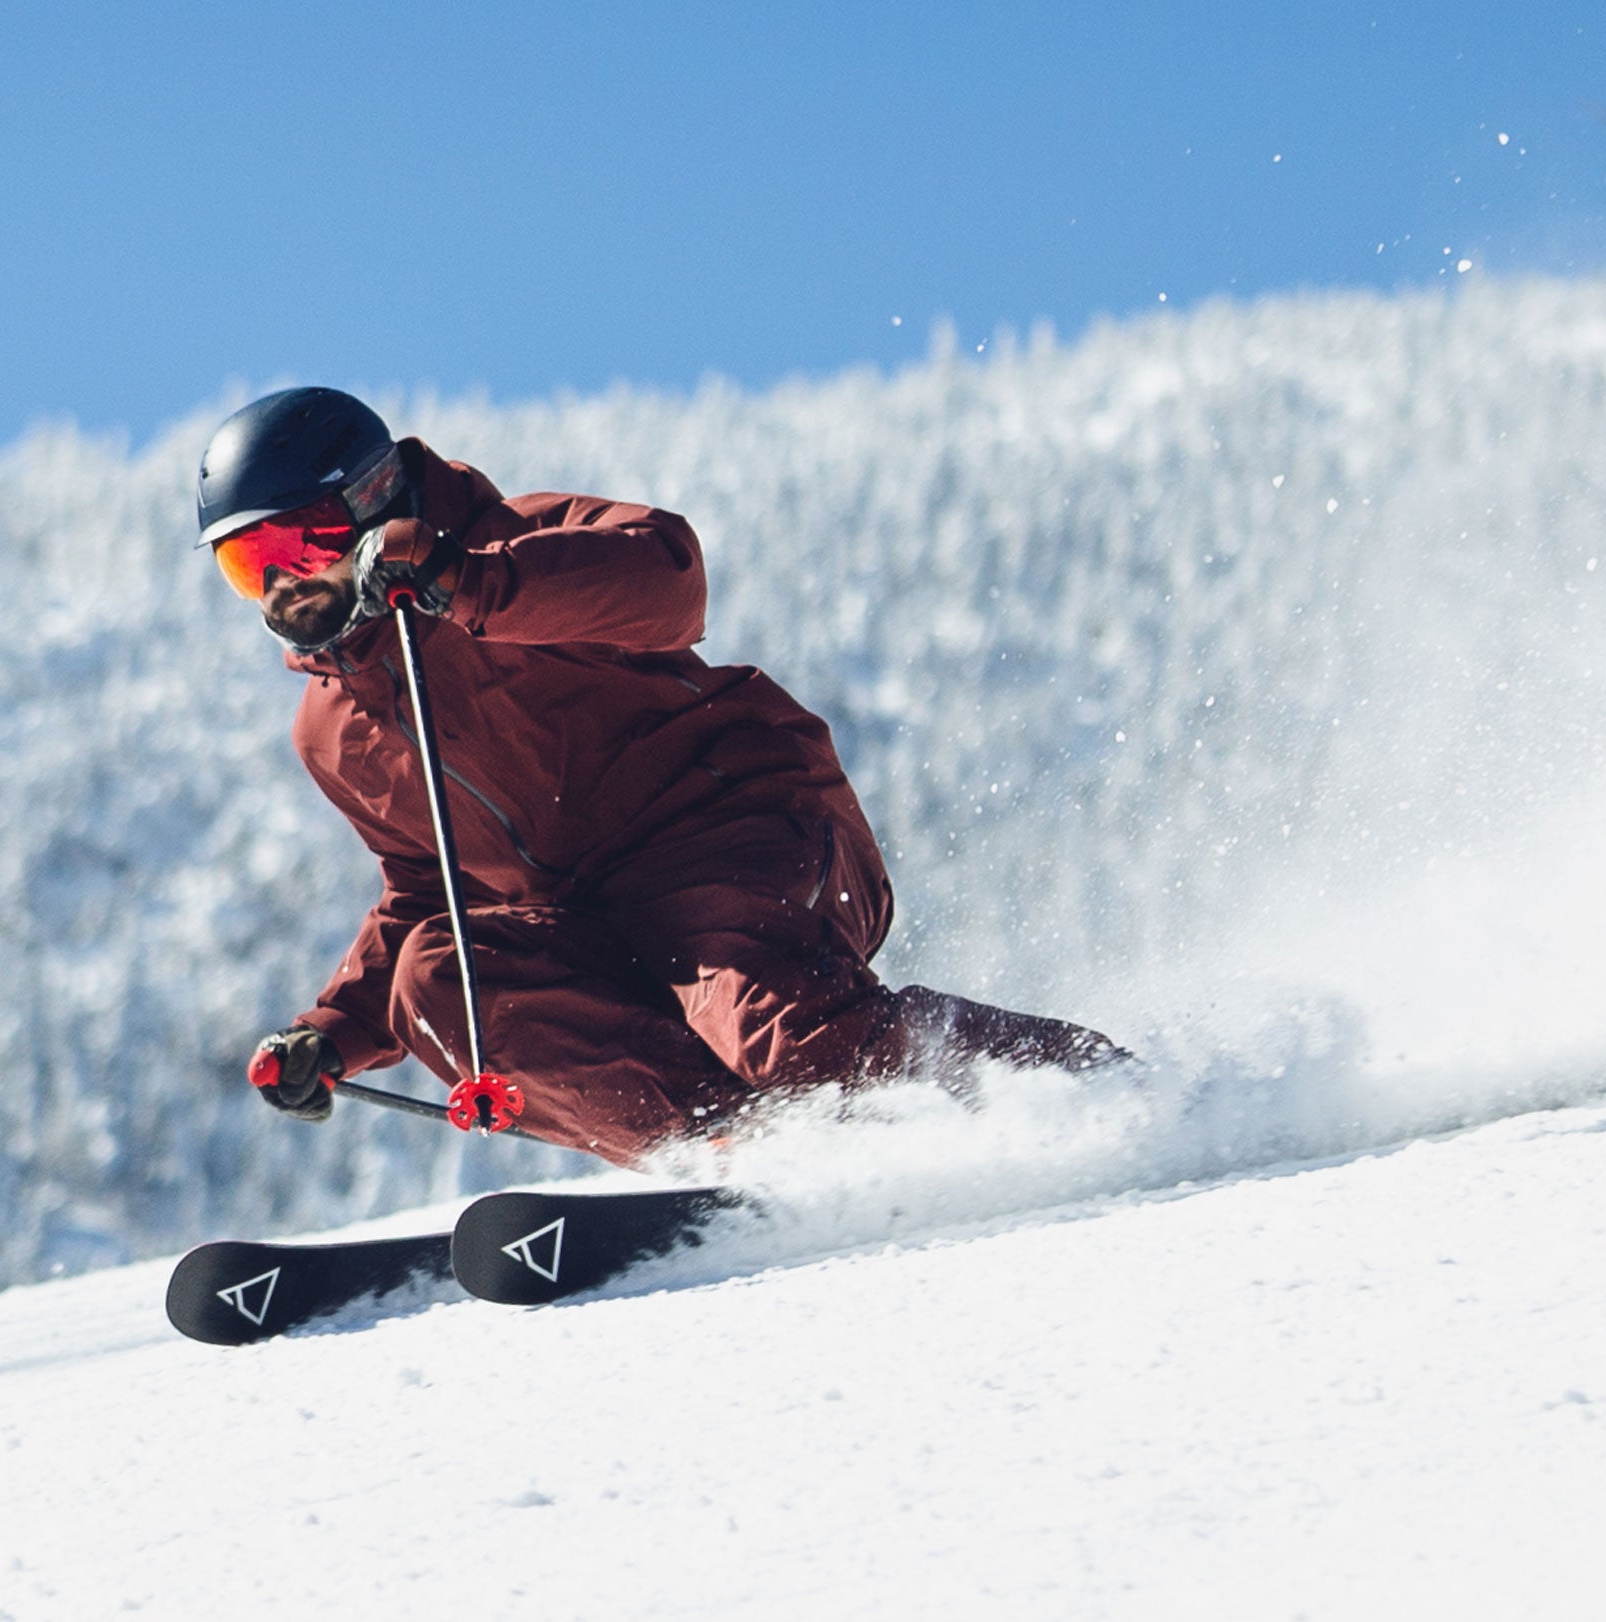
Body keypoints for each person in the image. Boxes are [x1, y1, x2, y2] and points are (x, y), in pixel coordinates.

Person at [200, 386, 1121, 1165]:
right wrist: (335, 1031)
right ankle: (745, 1153)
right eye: (249, 567)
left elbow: (671, 577)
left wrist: (466, 582)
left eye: (301, 543)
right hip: (589, 922)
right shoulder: (334, 730)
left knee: (773, 1028)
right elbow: (423, 889)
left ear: (371, 502)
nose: (282, 585)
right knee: (439, 979)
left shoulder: (505, 545)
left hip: (737, 832)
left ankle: (1093, 1091)